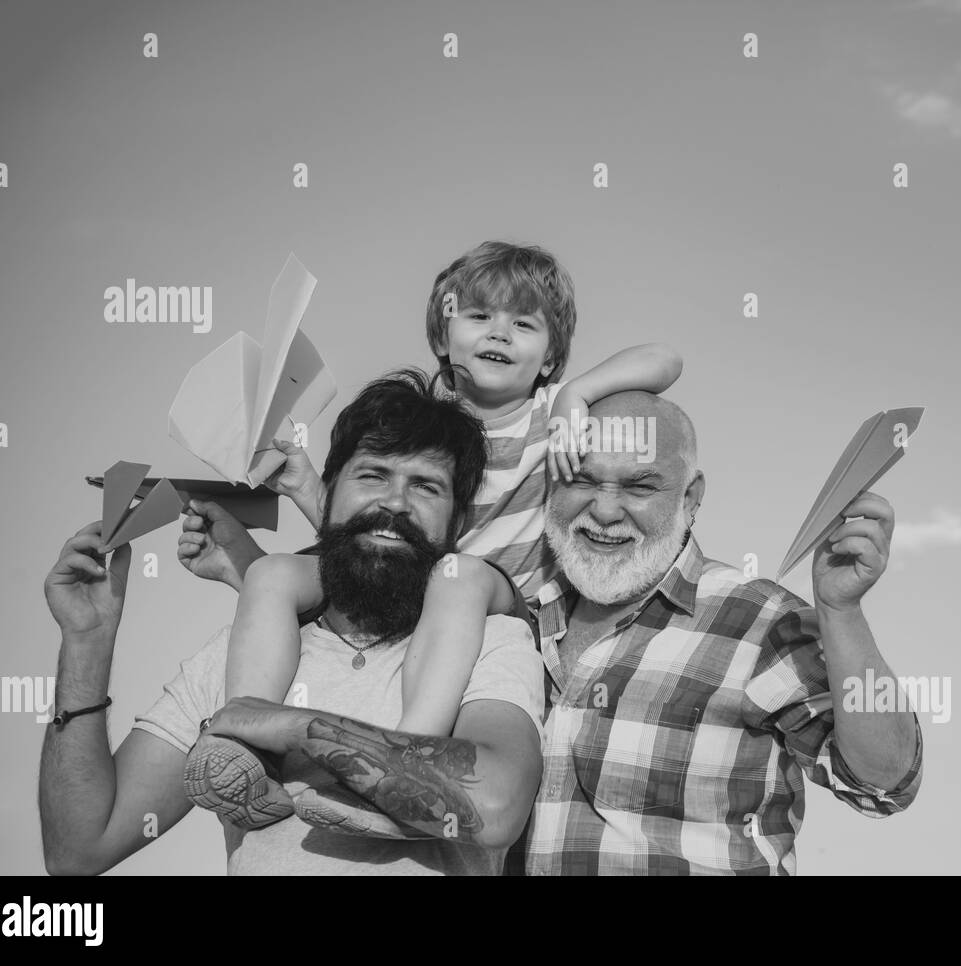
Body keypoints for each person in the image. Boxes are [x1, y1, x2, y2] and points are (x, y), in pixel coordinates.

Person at [201, 241, 681, 825]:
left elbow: (665, 358)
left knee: (458, 576)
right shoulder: (425, 423)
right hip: (415, 590)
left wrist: (579, 394)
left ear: (551, 358)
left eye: (523, 324)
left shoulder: (551, 412)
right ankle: (242, 744)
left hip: (500, 598)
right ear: (442, 339)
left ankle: (400, 767)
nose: (499, 334)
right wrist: (307, 489)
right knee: (272, 572)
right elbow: (380, 532)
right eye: (478, 317)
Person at [39, 370, 544, 875]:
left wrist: (293, 728)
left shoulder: (489, 643)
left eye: (426, 486)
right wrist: (88, 640)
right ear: (331, 495)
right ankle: (245, 751)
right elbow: (79, 852)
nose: (395, 502)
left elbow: (495, 808)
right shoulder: (243, 648)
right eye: (372, 475)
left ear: (456, 523)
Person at [511, 390, 924, 874]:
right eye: (581, 479)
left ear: (690, 498)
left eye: (639, 487)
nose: (604, 511)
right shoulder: (518, 624)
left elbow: (884, 782)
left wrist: (842, 611)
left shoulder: (761, 620)